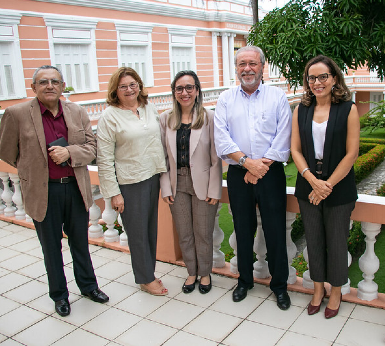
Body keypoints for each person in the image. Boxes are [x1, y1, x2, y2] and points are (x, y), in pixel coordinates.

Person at [0, 65, 109, 317]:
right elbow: (6, 152)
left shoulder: (77, 111)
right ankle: (59, 296)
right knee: (51, 247)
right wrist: (34, 167)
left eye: (55, 81)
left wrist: (69, 152)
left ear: (62, 86)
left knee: (80, 243)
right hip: (43, 191)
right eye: (43, 82)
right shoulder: (16, 114)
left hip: (75, 188)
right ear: (33, 87)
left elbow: (92, 147)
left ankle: (89, 287)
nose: (50, 86)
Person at [214, 45, 292, 310]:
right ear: (236, 68)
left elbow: (283, 137)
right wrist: (248, 164)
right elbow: (222, 139)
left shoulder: (277, 97)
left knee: (275, 231)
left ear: (262, 66)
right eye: (241, 64)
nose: (247, 68)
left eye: (252, 63)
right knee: (243, 230)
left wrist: (260, 168)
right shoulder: (225, 99)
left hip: (270, 175)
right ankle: (244, 280)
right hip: (239, 174)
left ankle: (279, 286)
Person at [290, 55, 359, 319]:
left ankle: (337, 292)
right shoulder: (301, 110)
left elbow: (352, 153)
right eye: (311, 78)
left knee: (337, 241)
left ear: (334, 79)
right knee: (314, 240)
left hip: (338, 188)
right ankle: (318, 290)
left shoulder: (348, 109)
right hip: (308, 185)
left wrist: (326, 185)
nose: (317, 82)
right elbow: (295, 150)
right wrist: (312, 180)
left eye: (322, 77)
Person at [97, 67, 168, 296]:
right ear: (115, 90)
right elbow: (104, 159)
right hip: (129, 182)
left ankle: (149, 271)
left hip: (152, 176)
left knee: (150, 230)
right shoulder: (109, 116)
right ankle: (145, 278)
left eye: (133, 84)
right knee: (137, 233)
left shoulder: (148, 108)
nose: (129, 89)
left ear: (139, 85)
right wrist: (114, 193)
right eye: (123, 86)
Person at [159, 70, 222, 294]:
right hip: (177, 182)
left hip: (203, 184)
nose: (184, 93)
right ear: (174, 92)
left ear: (197, 90)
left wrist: (215, 189)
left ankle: (205, 273)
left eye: (189, 88)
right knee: (184, 232)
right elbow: (163, 158)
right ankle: (191, 272)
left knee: (203, 232)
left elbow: (216, 157)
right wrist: (165, 186)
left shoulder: (209, 117)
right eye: (179, 88)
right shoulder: (166, 119)